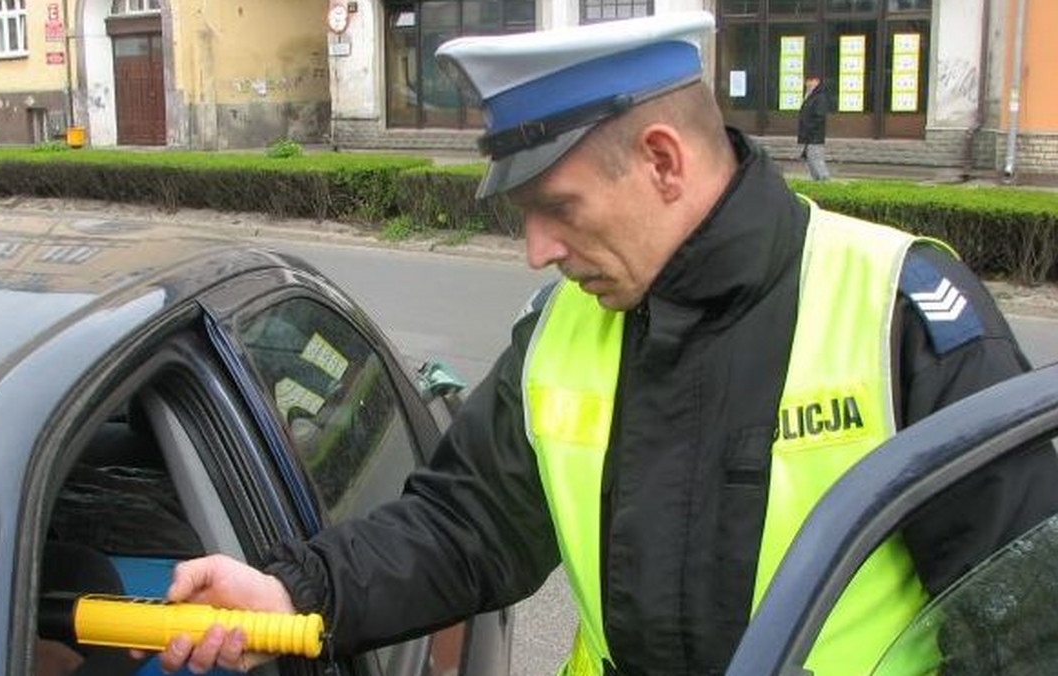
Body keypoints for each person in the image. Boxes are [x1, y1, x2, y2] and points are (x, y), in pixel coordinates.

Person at [153, 12, 1058, 676]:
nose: (538, 251)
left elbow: (1022, 622)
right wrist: (293, 590)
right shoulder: (561, 331)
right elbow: (462, 527)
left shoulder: (899, 308)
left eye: (558, 209)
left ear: (664, 160)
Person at [798, 75, 830, 180]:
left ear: (816, 81)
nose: (806, 84)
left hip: (815, 136)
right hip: (810, 136)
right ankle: (817, 182)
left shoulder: (819, 97)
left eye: (809, 81)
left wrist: (809, 128)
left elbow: (819, 116)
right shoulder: (810, 96)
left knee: (816, 160)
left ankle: (825, 182)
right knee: (811, 160)